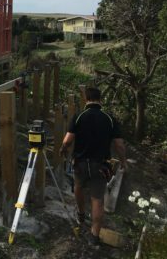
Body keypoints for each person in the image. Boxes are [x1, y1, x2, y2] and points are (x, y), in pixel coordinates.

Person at [59, 86, 127, 246]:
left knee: (78, 187)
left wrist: (63, 149)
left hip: (80, 163)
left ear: (86, 99)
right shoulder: (109, 118)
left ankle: (81, 214)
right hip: (100, 166)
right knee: (98, 200)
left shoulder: (79, 116)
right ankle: (94, 235)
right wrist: (123, 161)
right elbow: (119, 144)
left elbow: (68, 140)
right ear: (100, 99)